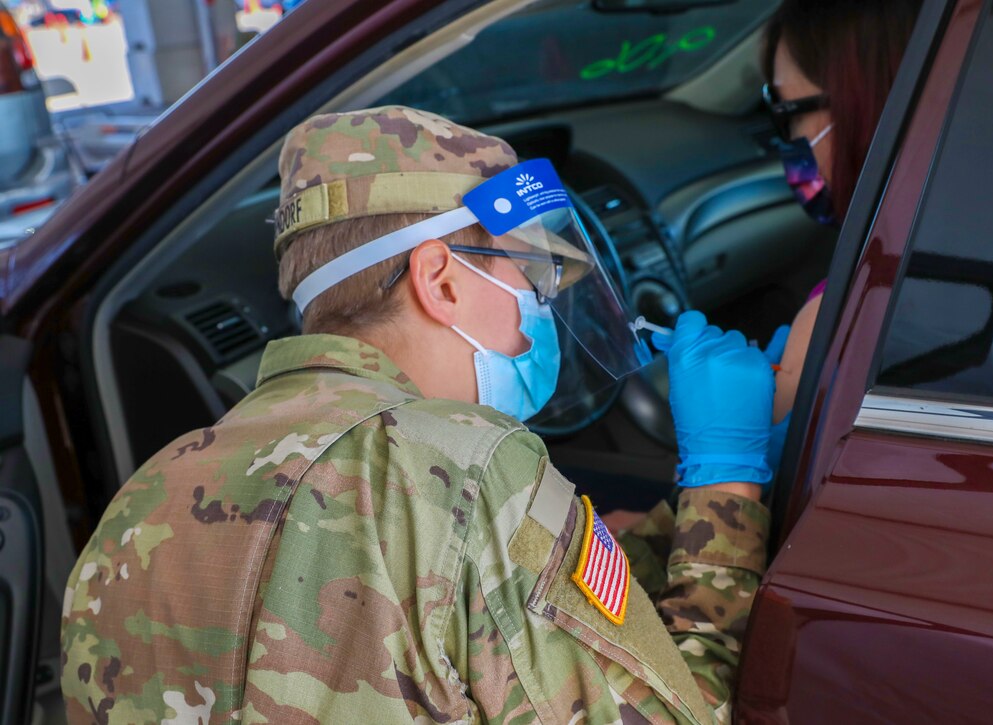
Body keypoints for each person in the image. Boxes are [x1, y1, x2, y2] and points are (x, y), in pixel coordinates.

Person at [60, 106, 776, 723]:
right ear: (440, 280)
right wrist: (728, 485)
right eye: (530, 274)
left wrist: (655, 535)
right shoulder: (472, 465)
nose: (544, 306)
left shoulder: (144, 495)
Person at [763, 0, 923, 426]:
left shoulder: (843, 315)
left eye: (787, 114)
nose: (790, 141)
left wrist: (720, 454)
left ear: (864, 105)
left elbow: (750, 491)